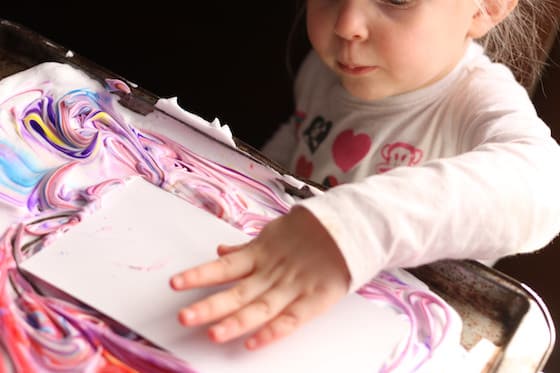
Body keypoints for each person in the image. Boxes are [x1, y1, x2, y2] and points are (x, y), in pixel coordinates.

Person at [170, 0, 560, 352]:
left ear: (485, 8)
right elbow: (300, 139)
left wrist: (354, 228)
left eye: (396, 0)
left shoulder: (476, 99)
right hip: (288, 289)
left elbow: (545, 187)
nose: (346, 24)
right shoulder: (326, 70)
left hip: (391, 335)